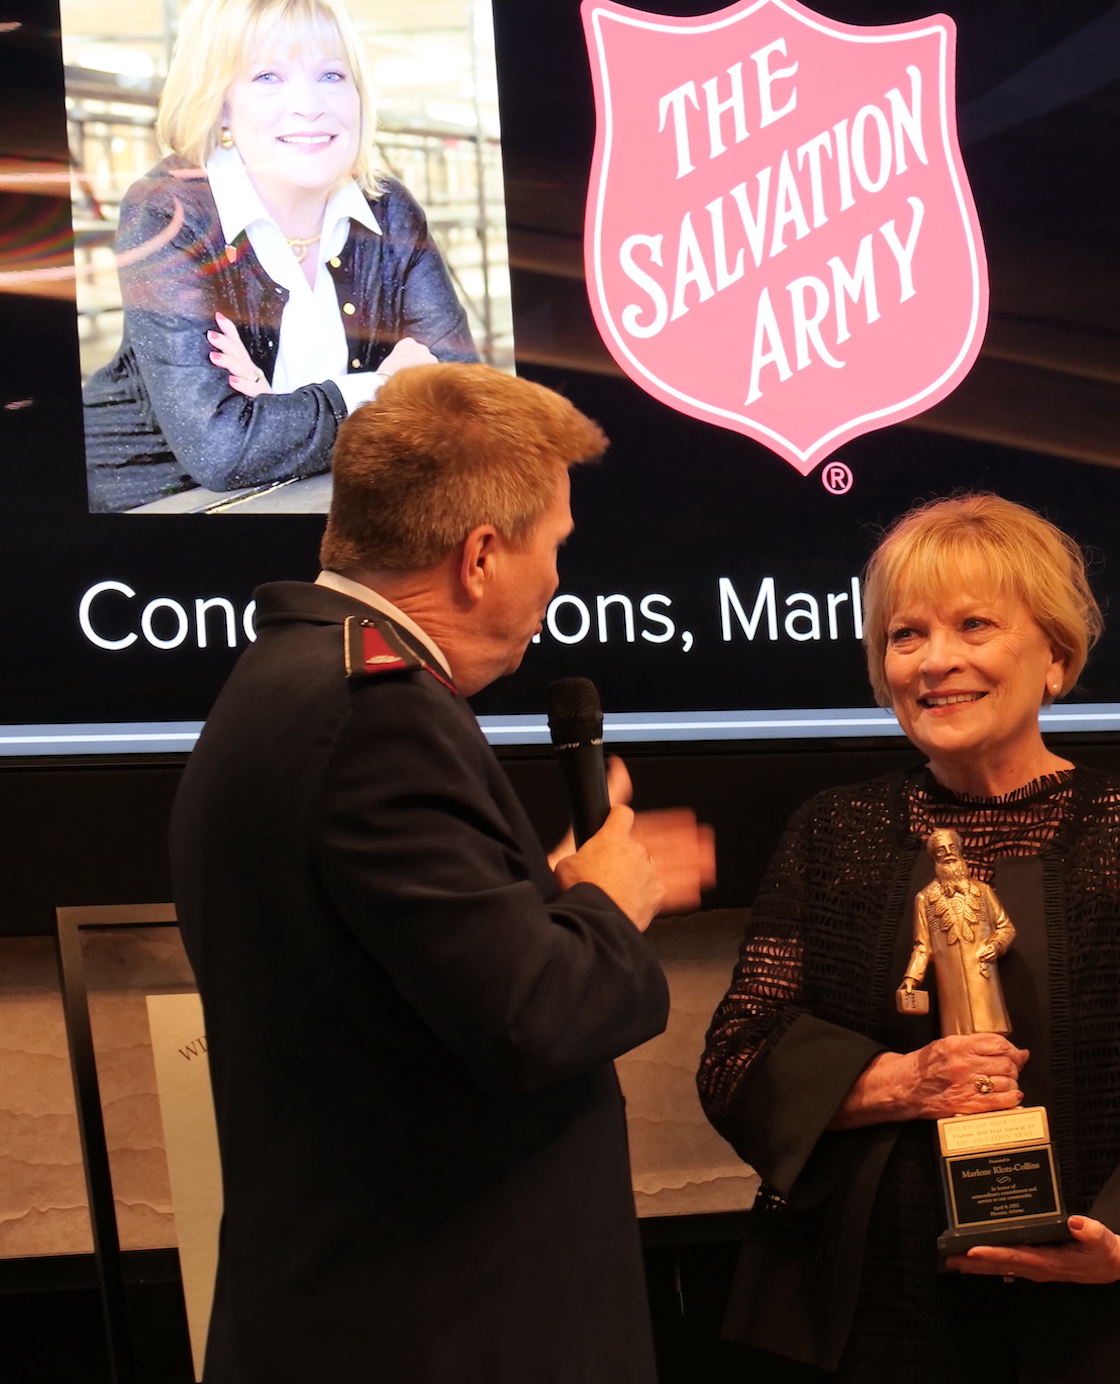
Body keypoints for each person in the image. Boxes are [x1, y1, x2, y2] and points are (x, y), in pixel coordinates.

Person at [170, 364, 714, 1383]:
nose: (556, 578)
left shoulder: (289, 679)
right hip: (437, 1331)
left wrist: (546, 898)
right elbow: (532, 1018)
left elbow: (396, 982)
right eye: (553, 545)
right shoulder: (380, 715)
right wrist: (607, 899)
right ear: (479, 557)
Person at [697, 494, 1120, 1384]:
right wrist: (900, 1083)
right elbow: (734, 1061)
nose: (937, 662)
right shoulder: (831, 832)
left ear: (1058, 659)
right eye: (906, 635)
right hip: (865, 1320)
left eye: (974, 625)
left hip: (1086, 1320)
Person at [83, 0, 477, 513]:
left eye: (332, 75)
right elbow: (222, 452)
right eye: (268, 76)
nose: (309, 105)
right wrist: (381, 391)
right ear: (221, 102)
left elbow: (466, 398)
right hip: (158, 514)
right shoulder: (169, 210)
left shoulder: (389, 209)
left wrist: (277, 409)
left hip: (321, 501)